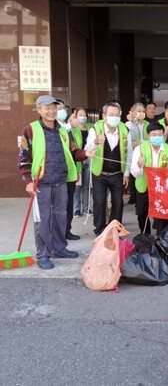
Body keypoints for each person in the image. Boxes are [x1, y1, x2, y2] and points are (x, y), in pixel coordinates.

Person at [18, 95, 95, 269]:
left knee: (60, 217)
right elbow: (23, 158)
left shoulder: (63, 130)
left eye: (55, 108)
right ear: (39, 110)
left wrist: (86, 154)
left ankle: (59, 248)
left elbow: (73, 152)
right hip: (41, 183)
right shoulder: (30, 130)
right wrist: (28, 181)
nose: (52, 111)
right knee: (43, 220)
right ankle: (43, 254)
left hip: (61, 181)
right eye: (47, 108)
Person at [85, 100, 133, 236]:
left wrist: (127, 174)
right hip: (99, 173)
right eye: (111, 115)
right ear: (104, 115)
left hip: (118, 173)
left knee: (118, 203)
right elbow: (87, 150)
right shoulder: (96, 129)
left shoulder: (125, 129)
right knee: (99, 202)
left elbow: (129, 152)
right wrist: (94, 143)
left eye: (117, 115)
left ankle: (115, 229)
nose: (114, 118)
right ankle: (99, 230)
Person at [131, 122, 168, 235]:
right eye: (154, 135)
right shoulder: (140, 149)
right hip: (144, 185)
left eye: (159, 134)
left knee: (161, 213)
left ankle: (160, 237)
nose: (157, 137)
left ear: (163, 135)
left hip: (161, 187)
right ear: (148, 136)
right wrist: (139, 165)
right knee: (142, 213)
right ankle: (145, 234)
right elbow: (135, 173)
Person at [55, 99, 81, 240]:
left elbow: (72, 150)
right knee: (59, 205)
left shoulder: (67, 127)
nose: (61, 110)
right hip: (56, 173)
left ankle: (67, 230)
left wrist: (84, 154)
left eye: (63, 107)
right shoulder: (53, 128)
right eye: (58, 108)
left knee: (68, 203)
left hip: (69, 172)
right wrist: (69, 126)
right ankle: (58, 233)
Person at [72, 107, 93, 217]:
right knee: (77, 186)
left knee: (86, 186)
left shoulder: (90, 127)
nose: (83, 117)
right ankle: (76, 209)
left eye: (84, 115)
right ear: (75, 116)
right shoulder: (72, 129)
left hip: (89, 160)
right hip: (78, 161)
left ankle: (86, 208)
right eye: (80, 115)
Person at [126, 102, 149, 205]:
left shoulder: (147, 124)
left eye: (143, 112)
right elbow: (127, 142)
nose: (141, 113)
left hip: (145, 154)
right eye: (138, 111)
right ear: (133, 111)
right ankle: (134, 197)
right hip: (133, 154)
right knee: (133, 175)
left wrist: (140, 143)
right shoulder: (128, 124)